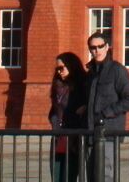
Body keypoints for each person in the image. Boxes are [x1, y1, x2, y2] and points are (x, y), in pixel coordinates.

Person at [83, 31, 129, 182]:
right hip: (90, 133)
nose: (97, 51)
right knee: (92, 176)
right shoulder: (91, 72)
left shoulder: (117, 70)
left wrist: (106, 113)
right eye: (93, 48)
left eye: (100, 46)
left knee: (106, 175)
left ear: (107, 47)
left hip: (108, 134)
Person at [48, 52, 88, 182]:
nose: (59, 72)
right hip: (59, 136)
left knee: (69, 174)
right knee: (57, 174)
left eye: (62, 68)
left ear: (71, 66)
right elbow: (54, 110)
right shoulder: (57, 86)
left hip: (74, 136)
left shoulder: (82, 84)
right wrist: (54, 121)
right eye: (57, 69)